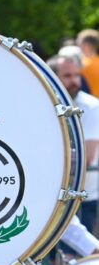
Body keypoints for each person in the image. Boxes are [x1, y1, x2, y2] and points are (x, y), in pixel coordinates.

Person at [49, 52, 99, 233]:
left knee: (79, 257)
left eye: (77, 75)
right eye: (67, 76)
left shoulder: (91, 106)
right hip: (54, 197)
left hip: (84, 197)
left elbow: (86, 157)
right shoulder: (45, 104)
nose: (74, 81)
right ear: (54, 78)